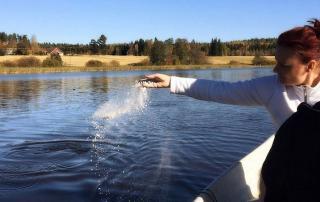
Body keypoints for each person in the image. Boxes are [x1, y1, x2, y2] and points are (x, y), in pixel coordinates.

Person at [139, 18, 320, 131]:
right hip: (286, 174)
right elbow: (220, 90)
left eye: (284, 65)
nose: (275, 70)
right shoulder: (272, 87)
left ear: (310, 66)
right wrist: (172, 81)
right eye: (276, 62)